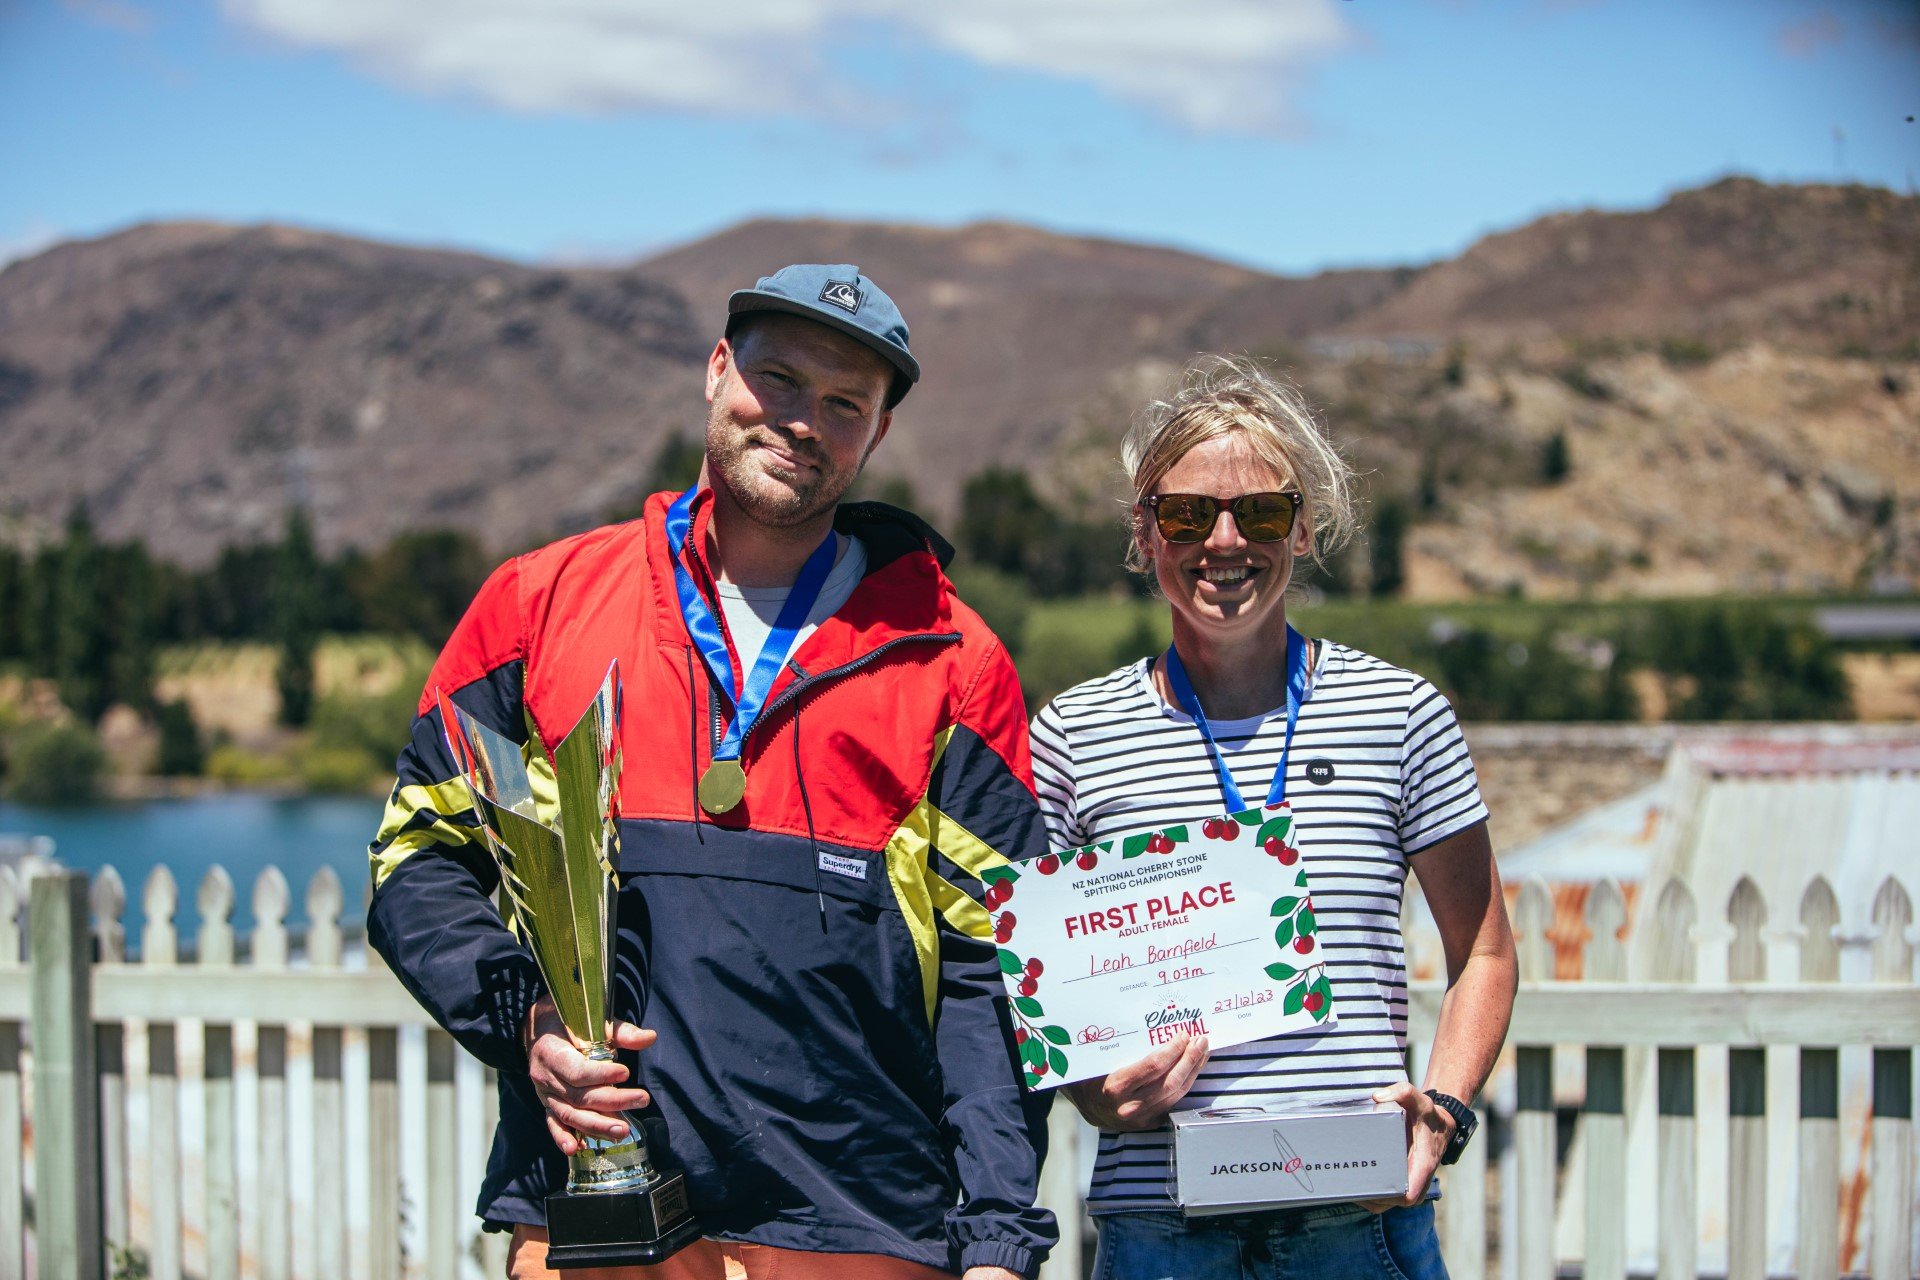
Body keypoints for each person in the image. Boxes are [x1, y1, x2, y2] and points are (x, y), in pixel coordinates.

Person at [367, 264, 1056, 1280]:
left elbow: (987, 973)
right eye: (776, 379)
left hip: (863, 1233)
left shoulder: (953, 660)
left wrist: (998, 1235)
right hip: (597, 1223)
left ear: (879, 432)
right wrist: (527, 1018)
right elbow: (421, 854)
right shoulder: (539, 611)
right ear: (716, 368)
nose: (801, 420)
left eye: (843, 403)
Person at [1028, 355, 1517, 1280]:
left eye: (1259, 513)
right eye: (1186, 514)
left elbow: (1486, 952)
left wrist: (1443, 1111)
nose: (1224, 541)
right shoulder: (1070, 736)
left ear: (1303, 531)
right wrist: (1090, 1089)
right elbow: (1049, 992)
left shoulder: (1400, 713)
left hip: (1358, 1220)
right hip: (1159, 1232)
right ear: (1144, 533)